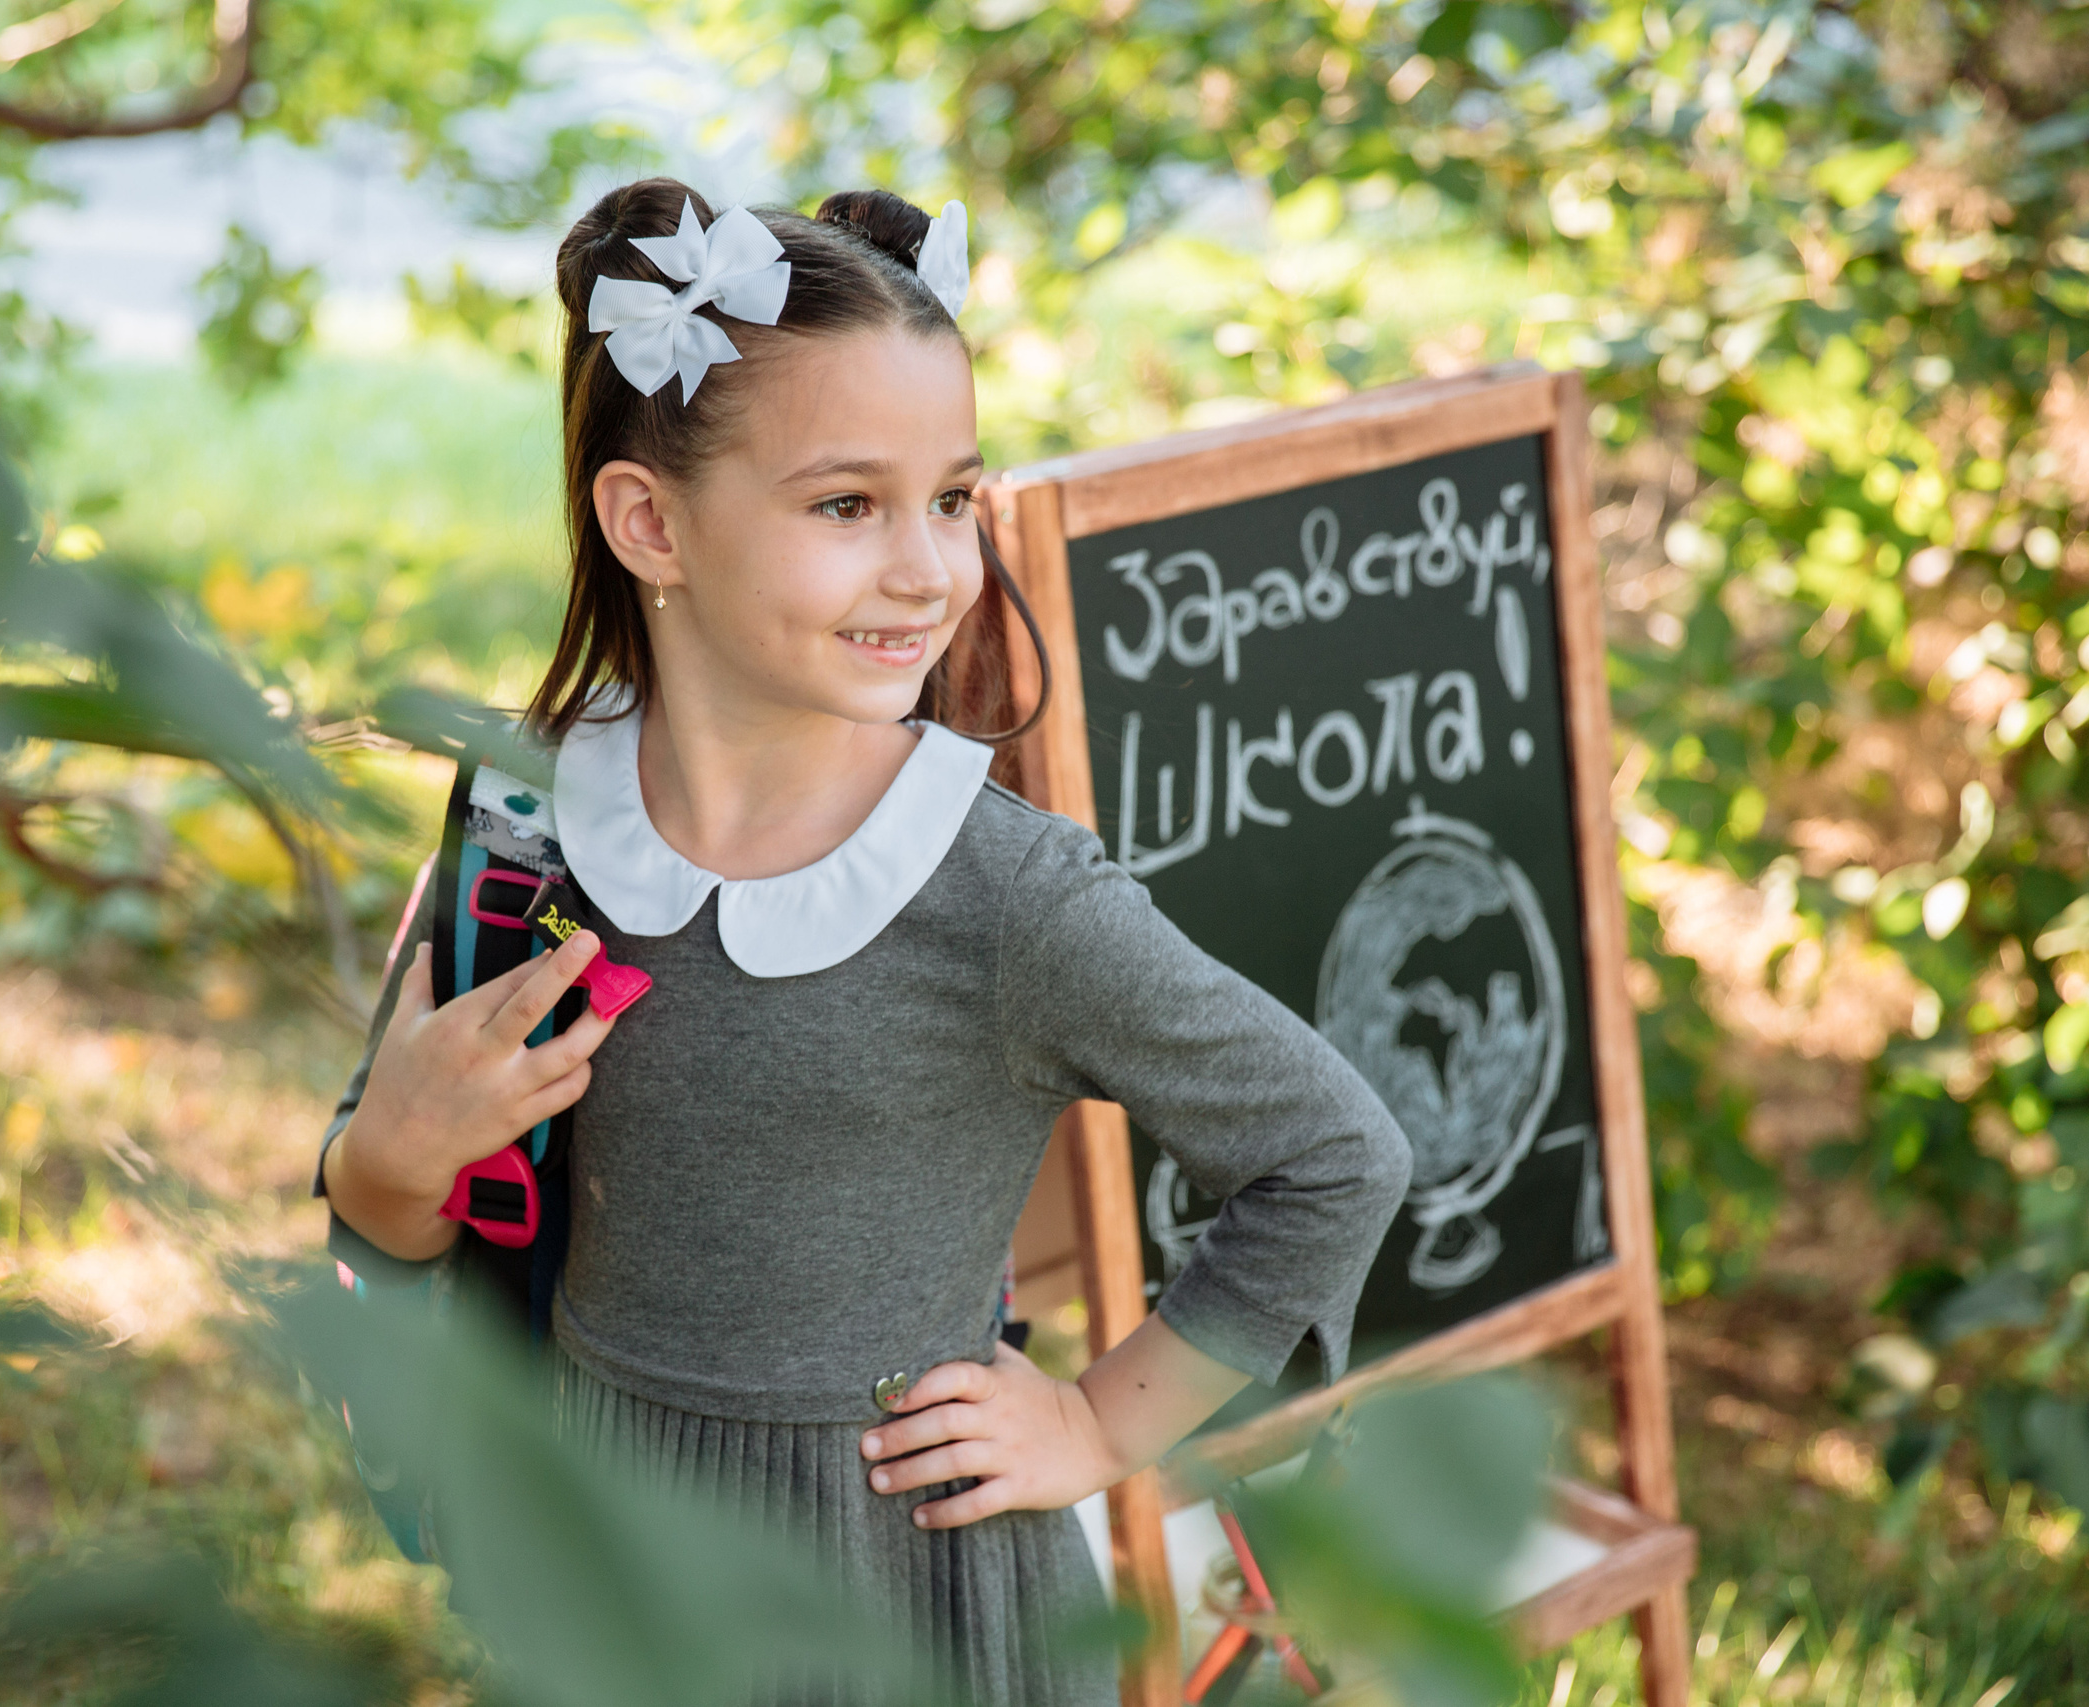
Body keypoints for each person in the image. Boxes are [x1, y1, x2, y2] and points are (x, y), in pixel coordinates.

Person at [316, 177, 1412, 1706]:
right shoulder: (528, 819)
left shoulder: (1006, 898)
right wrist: (389, 1157)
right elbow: (392, 1185)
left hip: (903, 1598)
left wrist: (1099, 1428)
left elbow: (1334, 1154)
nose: (928, 570)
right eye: (848, 505)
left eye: (953, 499)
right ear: (650, 522)